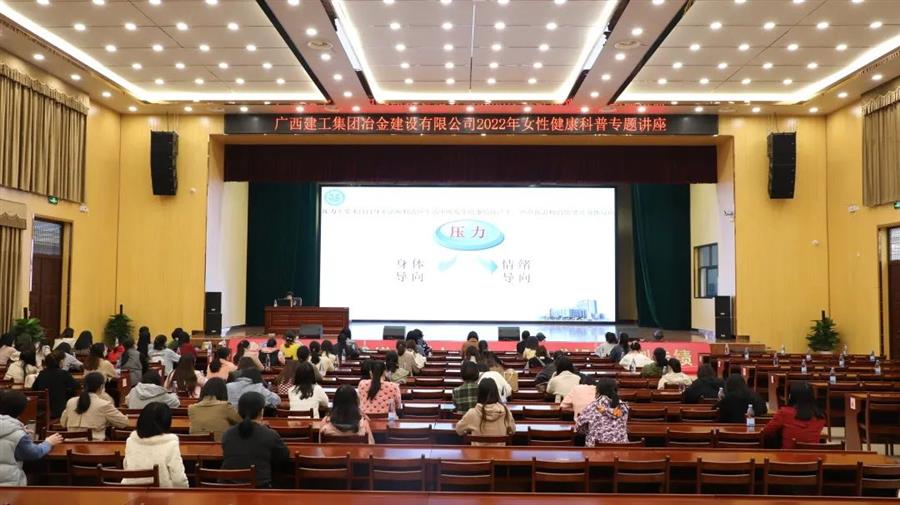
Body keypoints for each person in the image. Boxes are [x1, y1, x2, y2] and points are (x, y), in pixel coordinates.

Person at [221, 392, 290, 488]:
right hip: (260, 488)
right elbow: (283, 456)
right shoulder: (270, 434)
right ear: (261, 411)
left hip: (228, 488)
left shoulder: (227, 434)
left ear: (238, 411)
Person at [0, 390, 64, 486]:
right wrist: (48, 442)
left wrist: (19, 430)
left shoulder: (16, 432)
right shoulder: (18, 435)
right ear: (21, 411)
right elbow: (34, 453)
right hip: (9, 485)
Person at [122, 402, 188, 487]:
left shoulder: (131, 441)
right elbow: (179, 479)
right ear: (166, 422)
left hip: (131, 490)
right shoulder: (171, 444)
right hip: (162, 492)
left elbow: (126, 466)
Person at [60, 372, 129, 440]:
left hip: (70, 443)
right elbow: (123, 423)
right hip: (94, 444)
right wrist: (107, 422)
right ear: (101, 387)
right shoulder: (104, 404)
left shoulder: (70, 402)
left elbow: (63, 423)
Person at [762, 381, 826, 448]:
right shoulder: (820, 415)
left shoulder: (784, 412)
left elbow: (766, 431)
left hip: (788, 453)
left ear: (791, 396)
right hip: (813, 453)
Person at [454, 378, 515, 445]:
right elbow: (513, 431)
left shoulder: (472, 413)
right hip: (500, 451)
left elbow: (459, 430)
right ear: (496, 392)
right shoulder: (505, 411)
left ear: (479, 393)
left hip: (477, 452)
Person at [575, 378, 630, 446]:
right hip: (621, 448)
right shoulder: (623, 407)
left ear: (598, 391)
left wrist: (591, 431)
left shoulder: (594, 406)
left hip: (595, 449)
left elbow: (579, 426)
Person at [31, 352, 78, 419]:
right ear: (60, 362)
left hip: (43, 411)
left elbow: (34, 389)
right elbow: (76, 386)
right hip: (60, 410)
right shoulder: (64, 374)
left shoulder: (42, 374)